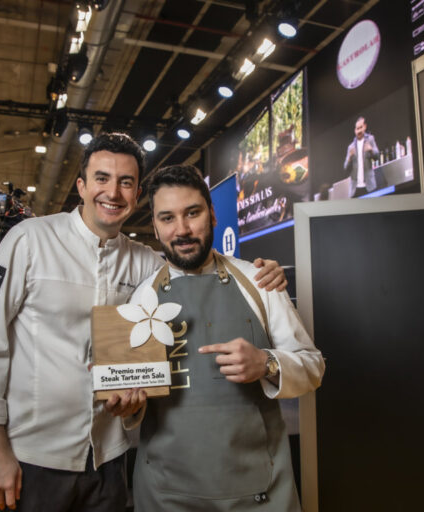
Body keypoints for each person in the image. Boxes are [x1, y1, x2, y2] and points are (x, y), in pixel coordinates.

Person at [0, 133, 286, 512]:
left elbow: (193, 257)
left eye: (126, 182)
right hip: (33, 457)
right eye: (102, 178)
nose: (113, 192)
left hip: (110, 459)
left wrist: (258, 272)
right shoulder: (29, 240)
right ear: (82, 186)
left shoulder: (144, 262)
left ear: (137, 194)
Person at [130, 164, 325, 511]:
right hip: (166, 494)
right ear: (155, 228)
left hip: (257, 493)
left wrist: (266, 363)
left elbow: (313, 367)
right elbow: (135, 399)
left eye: (193, 213)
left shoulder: (259, 282)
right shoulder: (141, 299)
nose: (183, 230)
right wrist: (127, 404)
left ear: (213, 214)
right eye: (168, 218)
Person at [343, 116, 380, 197]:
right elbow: (345, 167)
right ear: (354, 130)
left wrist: (371, 150)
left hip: (369, 186)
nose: (359, 130)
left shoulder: (370, 139)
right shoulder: (351, 147)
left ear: (365, 127)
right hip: (355, 189)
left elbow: (377, 156)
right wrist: (349, 157)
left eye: (361, 128)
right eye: (357, 128)